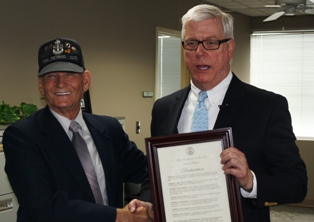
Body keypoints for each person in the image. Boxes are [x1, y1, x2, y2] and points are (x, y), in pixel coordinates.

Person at [150, 4, 307, 222]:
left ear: (230, 48)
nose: (200, 52)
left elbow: (296, 184)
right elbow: (157, 176)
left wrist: (250, 181)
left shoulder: (267, 107)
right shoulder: (163, 108)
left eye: (211, 43)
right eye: (192, 43)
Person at [3, 38, 153, 222]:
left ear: (86, 81)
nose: (60, 83)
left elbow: (149, 169)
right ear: (41, 86)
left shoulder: (109, 129)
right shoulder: (22, 136)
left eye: (70, 74)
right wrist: (120, 216)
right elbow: (42, 204)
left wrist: (146, 205)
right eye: (51, 76)